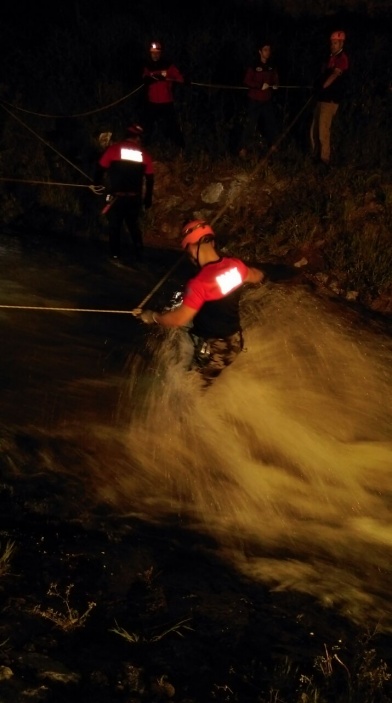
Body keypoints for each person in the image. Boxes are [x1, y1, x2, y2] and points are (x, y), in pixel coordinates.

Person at [136, 219, 264, 386]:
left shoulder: (199, 284)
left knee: (192, 388)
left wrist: (152, 316)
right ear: (211, 241)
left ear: (191, 247)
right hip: (234, 343)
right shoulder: (236, 266)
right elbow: (256, 275)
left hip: (214, 351)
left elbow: (178, 320)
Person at [94, 123, 154, 264]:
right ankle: (139, 254)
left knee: (115, 226)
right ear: (138, 138)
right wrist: (148, 198)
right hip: (134, 198)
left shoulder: (113, 149)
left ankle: (115, 256)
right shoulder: (144, 154)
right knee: (133, 225)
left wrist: (97, 184)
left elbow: (100, 168)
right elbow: (150, 178)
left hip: (117, 198)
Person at [310, 30, 349, 168]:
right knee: (313, 130)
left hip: (331, 100)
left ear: (341, 43)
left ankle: (324, 160)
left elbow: (334, 76)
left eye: (335, 43)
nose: (332, 45)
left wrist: (323, 86)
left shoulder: (342, 58)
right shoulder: (329, 57)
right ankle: (314, 157)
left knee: (323, 131)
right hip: (321, 98)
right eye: (332, 43)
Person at [239, 42, 280, 158]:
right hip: (254, 100)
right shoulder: (253, 65)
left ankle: (273, 146)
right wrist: (259, 85)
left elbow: (275, 78)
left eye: (269, 50)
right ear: (260, 52)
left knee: (271, 123)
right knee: (250, 125)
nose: (268, 52)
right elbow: (247, 80)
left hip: (267, 99)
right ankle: (243, 149)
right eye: (265, 50)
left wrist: (276, 85)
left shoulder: (272, 65)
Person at [142, 40, 185, 149]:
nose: (155, 55)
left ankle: (181, 148)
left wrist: (185, 80)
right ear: (150, 53)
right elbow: (143, 78)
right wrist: (147, 80)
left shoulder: (168, 65)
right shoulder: (147, 66)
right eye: (153, 52)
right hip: (152, 102)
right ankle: (144, 148)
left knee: (172, 126)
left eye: (157, 53)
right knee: (148, 127)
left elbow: (178, 76)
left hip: (166, 102)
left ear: (161, 53)